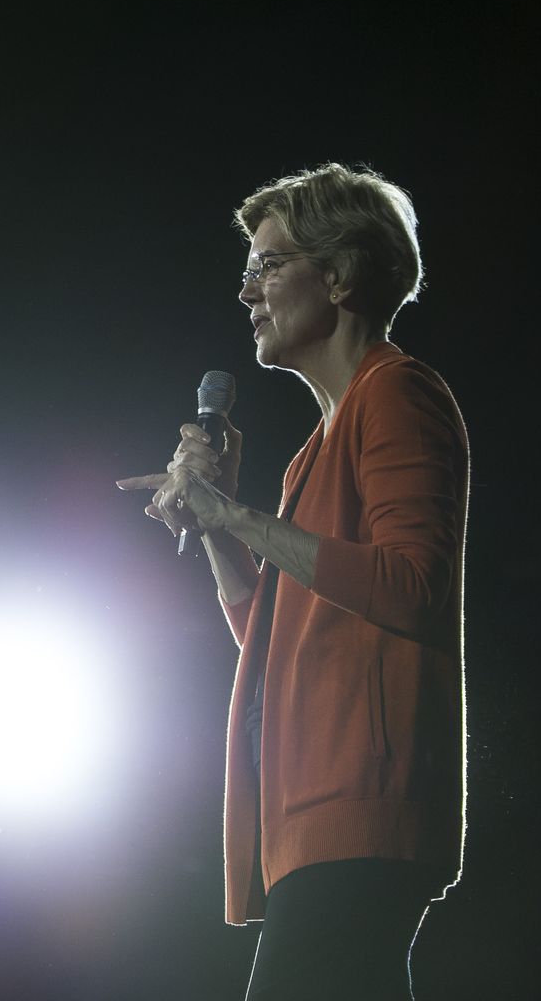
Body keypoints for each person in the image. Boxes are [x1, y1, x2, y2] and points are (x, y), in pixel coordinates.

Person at [118, 163, 469, 1001]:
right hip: (309, 820)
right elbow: (272, 639)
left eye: (269, 266)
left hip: (358, 809)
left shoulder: (398, 394)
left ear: (340, 275)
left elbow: (412, 584)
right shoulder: (315, 450)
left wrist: (237, 518)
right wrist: (216, 522)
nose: (248, 293)